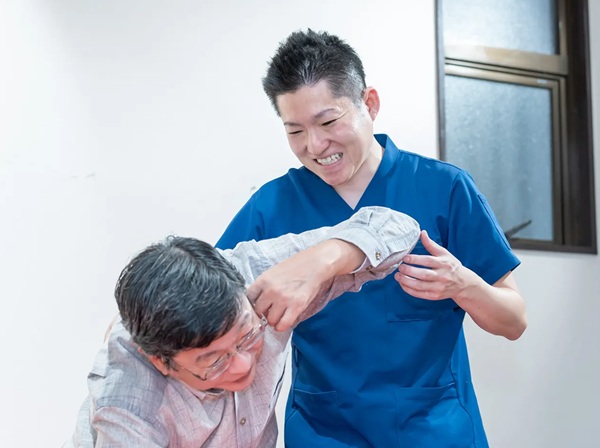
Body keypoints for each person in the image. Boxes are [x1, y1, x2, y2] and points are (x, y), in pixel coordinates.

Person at [216, 29, 528, 447]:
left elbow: (513, 321)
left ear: (370, 104)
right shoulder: (271, 207)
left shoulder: (444, 188)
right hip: (323, 430)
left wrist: (462, 285)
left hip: (433, 427)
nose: (315, 145)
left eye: (328, 122)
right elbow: (207, 294)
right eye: (295, 131)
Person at [65, 206, 420, 448]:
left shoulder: (254, 279)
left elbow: (397, 226)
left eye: (248, 336)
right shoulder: (128, 402)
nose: (242, 365)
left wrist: (320, 261)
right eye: (213, 361)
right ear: (161, 362)